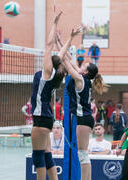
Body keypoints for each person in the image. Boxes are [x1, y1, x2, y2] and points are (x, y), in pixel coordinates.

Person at [30, 12, 80, 180]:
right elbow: (61, 52)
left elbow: (49, 44)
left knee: (38, 158)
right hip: (47, 118)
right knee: (47, 156)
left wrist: (54, 23)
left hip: (39, 117)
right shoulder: (56, 75)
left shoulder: (47, 72)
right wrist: (71, 38)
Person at [63, 39, 109, 179]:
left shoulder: (79, 79)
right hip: (86, 119)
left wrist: (60, 48)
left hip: (83, 120)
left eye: (85, 65)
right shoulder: (83, 78)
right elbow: (70, 59)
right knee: (83, 153)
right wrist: (60, 41)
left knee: (82, 153)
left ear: (86, 71)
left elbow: (65, 61)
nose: (82, 64)